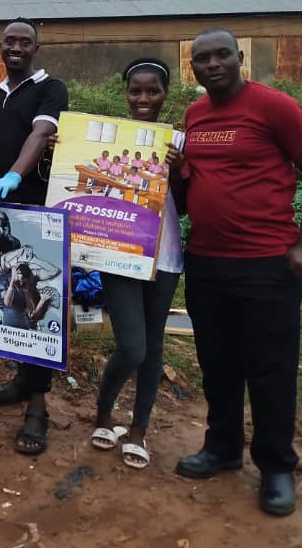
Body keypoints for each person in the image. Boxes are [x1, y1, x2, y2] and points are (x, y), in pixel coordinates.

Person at [172, 28, 302, 516]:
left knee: (270, 368)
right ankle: (222, 448)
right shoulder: (195, 115)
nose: (213, 64)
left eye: (222, 55)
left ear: (240, 58)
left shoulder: (274, 106)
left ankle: (277, 465)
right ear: (193, 68)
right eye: (203, 58)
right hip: (206, 261)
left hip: (267, 263)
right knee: (218, 365)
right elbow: (190, 186)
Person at [0, 19, 67, 455]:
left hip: (35, 209)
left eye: (25, 41)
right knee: (6, 302)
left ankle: (38, 406)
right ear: (0, 47)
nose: (17, 47)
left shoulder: (50, 88)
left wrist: (13, 175)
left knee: (32, 303)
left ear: (36, 47)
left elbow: (41, 134)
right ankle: (23, 380)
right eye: (10, 41)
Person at [86, 58, 185, 471]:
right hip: (119, 251)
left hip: (164, 253)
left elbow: (190, 195)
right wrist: (61, 152)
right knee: (133, 346)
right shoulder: (103, 137)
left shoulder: (179, 140)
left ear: (165, 94)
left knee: (154, 345)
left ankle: (139, 429)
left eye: (152, 91)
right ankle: (104, 412)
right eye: (135, 91)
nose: (143, 98)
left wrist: (180, 171)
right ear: (125, 93)